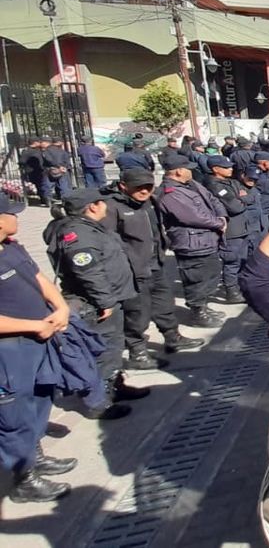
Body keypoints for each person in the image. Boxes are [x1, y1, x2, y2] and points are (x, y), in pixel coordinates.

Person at [43, 188, 147, 420]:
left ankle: (114, 385)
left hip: (109, 297)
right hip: (96, 303)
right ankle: (99, 401)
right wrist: (105, 301)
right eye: (102, 203)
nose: (106, 207)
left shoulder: (88, 228)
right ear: (92, 206)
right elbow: (88, 271)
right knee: (103, 350)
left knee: (113, 347)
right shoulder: (78, 234)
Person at [0, 194, 78, 503]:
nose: (16, 217)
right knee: (12, 414)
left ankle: (35, 453)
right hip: (9, 349)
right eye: (11, 213)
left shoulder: (10, 247)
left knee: (39, 398)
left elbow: (38, 277)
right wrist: (33, 326)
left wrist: (60, 307)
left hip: (39, 338)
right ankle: (23, 480)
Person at [101, 169, 203, 369]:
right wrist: (126, 263)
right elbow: (108, 241)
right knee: (138, 312)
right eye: (138, 187)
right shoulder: (113, 207)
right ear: (123, 186)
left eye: (148, 186)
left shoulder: (151, 201)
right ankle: (137, 352)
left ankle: (172, 337)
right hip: (132, 271)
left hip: (155, 263)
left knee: (164, 303)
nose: (144, 190)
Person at [158, 155, 226, 328]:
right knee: (196, 279)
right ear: (179, 171)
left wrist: (222, 216)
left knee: (211, 273)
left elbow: (212, 199)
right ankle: (197, 312)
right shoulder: (171, 193)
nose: (192, 170)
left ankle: (203, 305)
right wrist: (218, 223)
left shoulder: (192, 185)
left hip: (206, 239)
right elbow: (193, 217)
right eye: (188, 168)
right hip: (192, 243)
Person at [206, 156, 250, 304]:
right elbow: (235, 207)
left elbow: (248, 196)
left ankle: (239, 286)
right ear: (215, 169)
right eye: (226, 167)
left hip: (242, 227)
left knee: (243, 259)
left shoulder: (231, 181)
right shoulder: (215, 185)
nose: (230, 169)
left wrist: (242, 198)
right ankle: (231, 291)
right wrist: (241, 199)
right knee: (232, 261)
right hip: (231, 229)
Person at [40, 137, 73, 202]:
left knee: (48, 186)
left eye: (42, 142)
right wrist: (64, 167)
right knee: (64, 186)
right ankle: (66, 200)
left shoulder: (46, 151)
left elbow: (49, 159)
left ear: (46, 143)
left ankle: (48, 200)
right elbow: (66, 159)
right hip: (63, 169)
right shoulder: (61, 150)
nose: (41, 144)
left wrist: (57, 166)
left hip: (51, 169)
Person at [18, 137, 48, 206]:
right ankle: (45, 199)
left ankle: (44, 199)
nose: (40, 143)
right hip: (34, 171)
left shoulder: (38, 150)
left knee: (41, 185)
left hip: (39, 170)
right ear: (35, 143)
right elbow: (22, 161)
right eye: (38, 142)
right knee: (42, 185)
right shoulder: (27, 151)